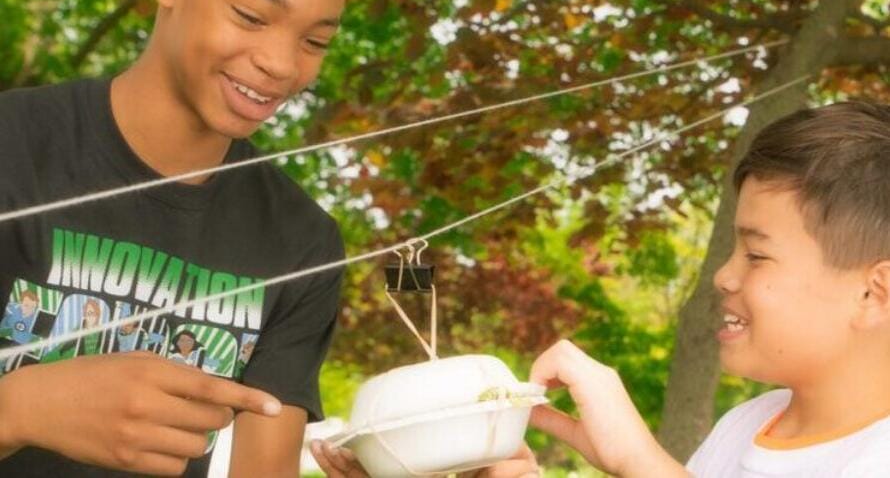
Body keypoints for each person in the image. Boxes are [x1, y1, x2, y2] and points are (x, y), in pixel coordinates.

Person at [0, 0, 353, 475]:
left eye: (315, 41)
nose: (282, 63)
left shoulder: (303, 244)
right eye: (251, 15)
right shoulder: (13, 146)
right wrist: (22, 409)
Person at [314, 101, 890, 477]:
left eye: (757, 254)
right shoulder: (746, 426)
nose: (723, 275)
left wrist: (639, 461)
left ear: (874, 292)